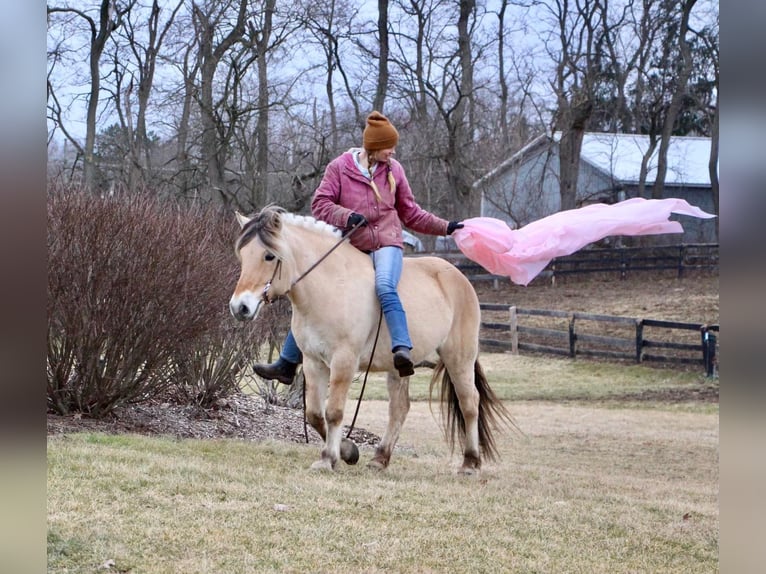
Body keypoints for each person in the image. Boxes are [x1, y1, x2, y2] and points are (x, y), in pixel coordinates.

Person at [253, 111, 464, 384]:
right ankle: (286, 362)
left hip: (386, 243)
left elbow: (411, 213)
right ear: (373, 147)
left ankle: (402, 349)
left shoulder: (394, 170)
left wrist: (445, 226)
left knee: (385, 285)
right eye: (388, 146)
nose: (393, 151)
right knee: (317, 295)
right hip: (350, 245)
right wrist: (346, 216)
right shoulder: (339, 168)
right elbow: (321, 204)